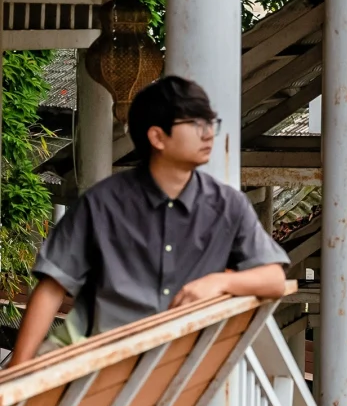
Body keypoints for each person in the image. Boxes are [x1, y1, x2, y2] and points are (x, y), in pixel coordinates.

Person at [9, 75, 288, 366]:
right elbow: (52, 286)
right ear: (157, 137)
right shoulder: (102, 204)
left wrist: (218, 282)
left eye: (210, 124)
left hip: (180, 368)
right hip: (96, 364)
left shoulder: (228, 206)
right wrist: (18, 367)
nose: (208, 135)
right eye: (195, 125)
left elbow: (274, 280)